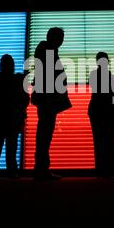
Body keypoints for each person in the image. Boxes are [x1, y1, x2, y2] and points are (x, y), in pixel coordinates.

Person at [31, 27, 71, 180]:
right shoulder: (48, 50)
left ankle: (41, 169)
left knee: (44, 133)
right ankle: (41, 169)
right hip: (48, 99)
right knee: (45, 133)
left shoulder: (46, 50)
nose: (62, 41)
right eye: (60, 37)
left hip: (47, 99)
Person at [0, 54, 29, 178]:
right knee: (11, 145)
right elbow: (25, 99)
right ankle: (11, 170)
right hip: (13, 117)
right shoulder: (18, 79)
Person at [88, 52, 114, 178]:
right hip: (109, 111)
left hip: (97, 111)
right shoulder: (107, 76)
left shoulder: (94, 75)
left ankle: (102, 170)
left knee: (100, 142)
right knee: (113, 142)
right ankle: (112, 169)